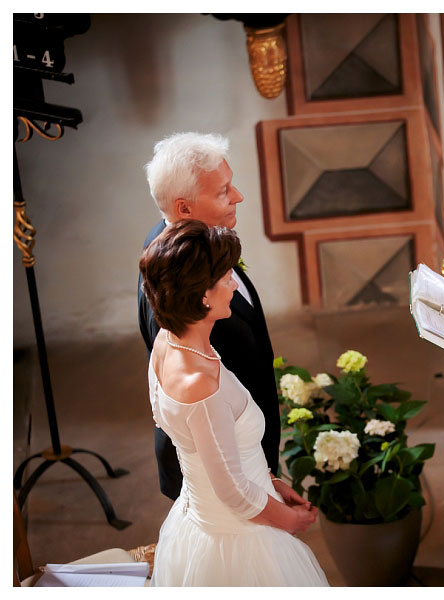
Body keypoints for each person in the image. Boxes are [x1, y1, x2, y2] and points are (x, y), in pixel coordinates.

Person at [140, 220, 328, 586]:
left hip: (199, 517)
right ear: (203, 296)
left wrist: (270, 481)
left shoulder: (167, 341)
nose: (234, 285)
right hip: (239, 540)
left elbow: (204, 445)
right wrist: (291, 521)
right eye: (227, 277)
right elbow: (233, 493)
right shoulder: (200, 384)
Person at [138, 132, 281, 501]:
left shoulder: (190, 246)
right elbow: (199, 408)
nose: (238, 196)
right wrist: (262, 477)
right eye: (223, 191)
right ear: (184, 208)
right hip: (225, 470)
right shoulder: (174, 293)